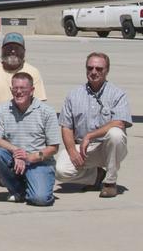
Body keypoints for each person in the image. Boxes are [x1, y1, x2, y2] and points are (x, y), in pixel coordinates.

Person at [56, 52, 132, 198]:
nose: (94, 72)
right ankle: (96, 175)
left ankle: (110, 183)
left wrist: (90, 136)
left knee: (115, 133)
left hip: (109, 147)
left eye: (99, 69)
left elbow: (120, 122)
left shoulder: (118, 94)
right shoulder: (73, 95)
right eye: (90, 68)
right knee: (60, 171)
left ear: (107, 71)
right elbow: (66, 126)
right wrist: (72, 151)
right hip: (85, 150)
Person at [0, 72, 59, 206]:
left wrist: (30, 157)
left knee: (40, 199)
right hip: (15, 159)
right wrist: (17, 152)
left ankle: (35, 186)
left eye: (23, 89)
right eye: (15, 88)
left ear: (32, 91)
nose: (19, 92)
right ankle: (18, 190)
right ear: (11, 90)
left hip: (39, 162)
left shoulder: (47, 112)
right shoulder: (2, 110)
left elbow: (53, 148)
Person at [0, 32, 48, 132]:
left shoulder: (33, 72)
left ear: (24, 51)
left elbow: (40, 105)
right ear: (2, 50)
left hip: (27, 131)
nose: (13, 51)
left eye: (17, 48)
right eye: (9, 47)